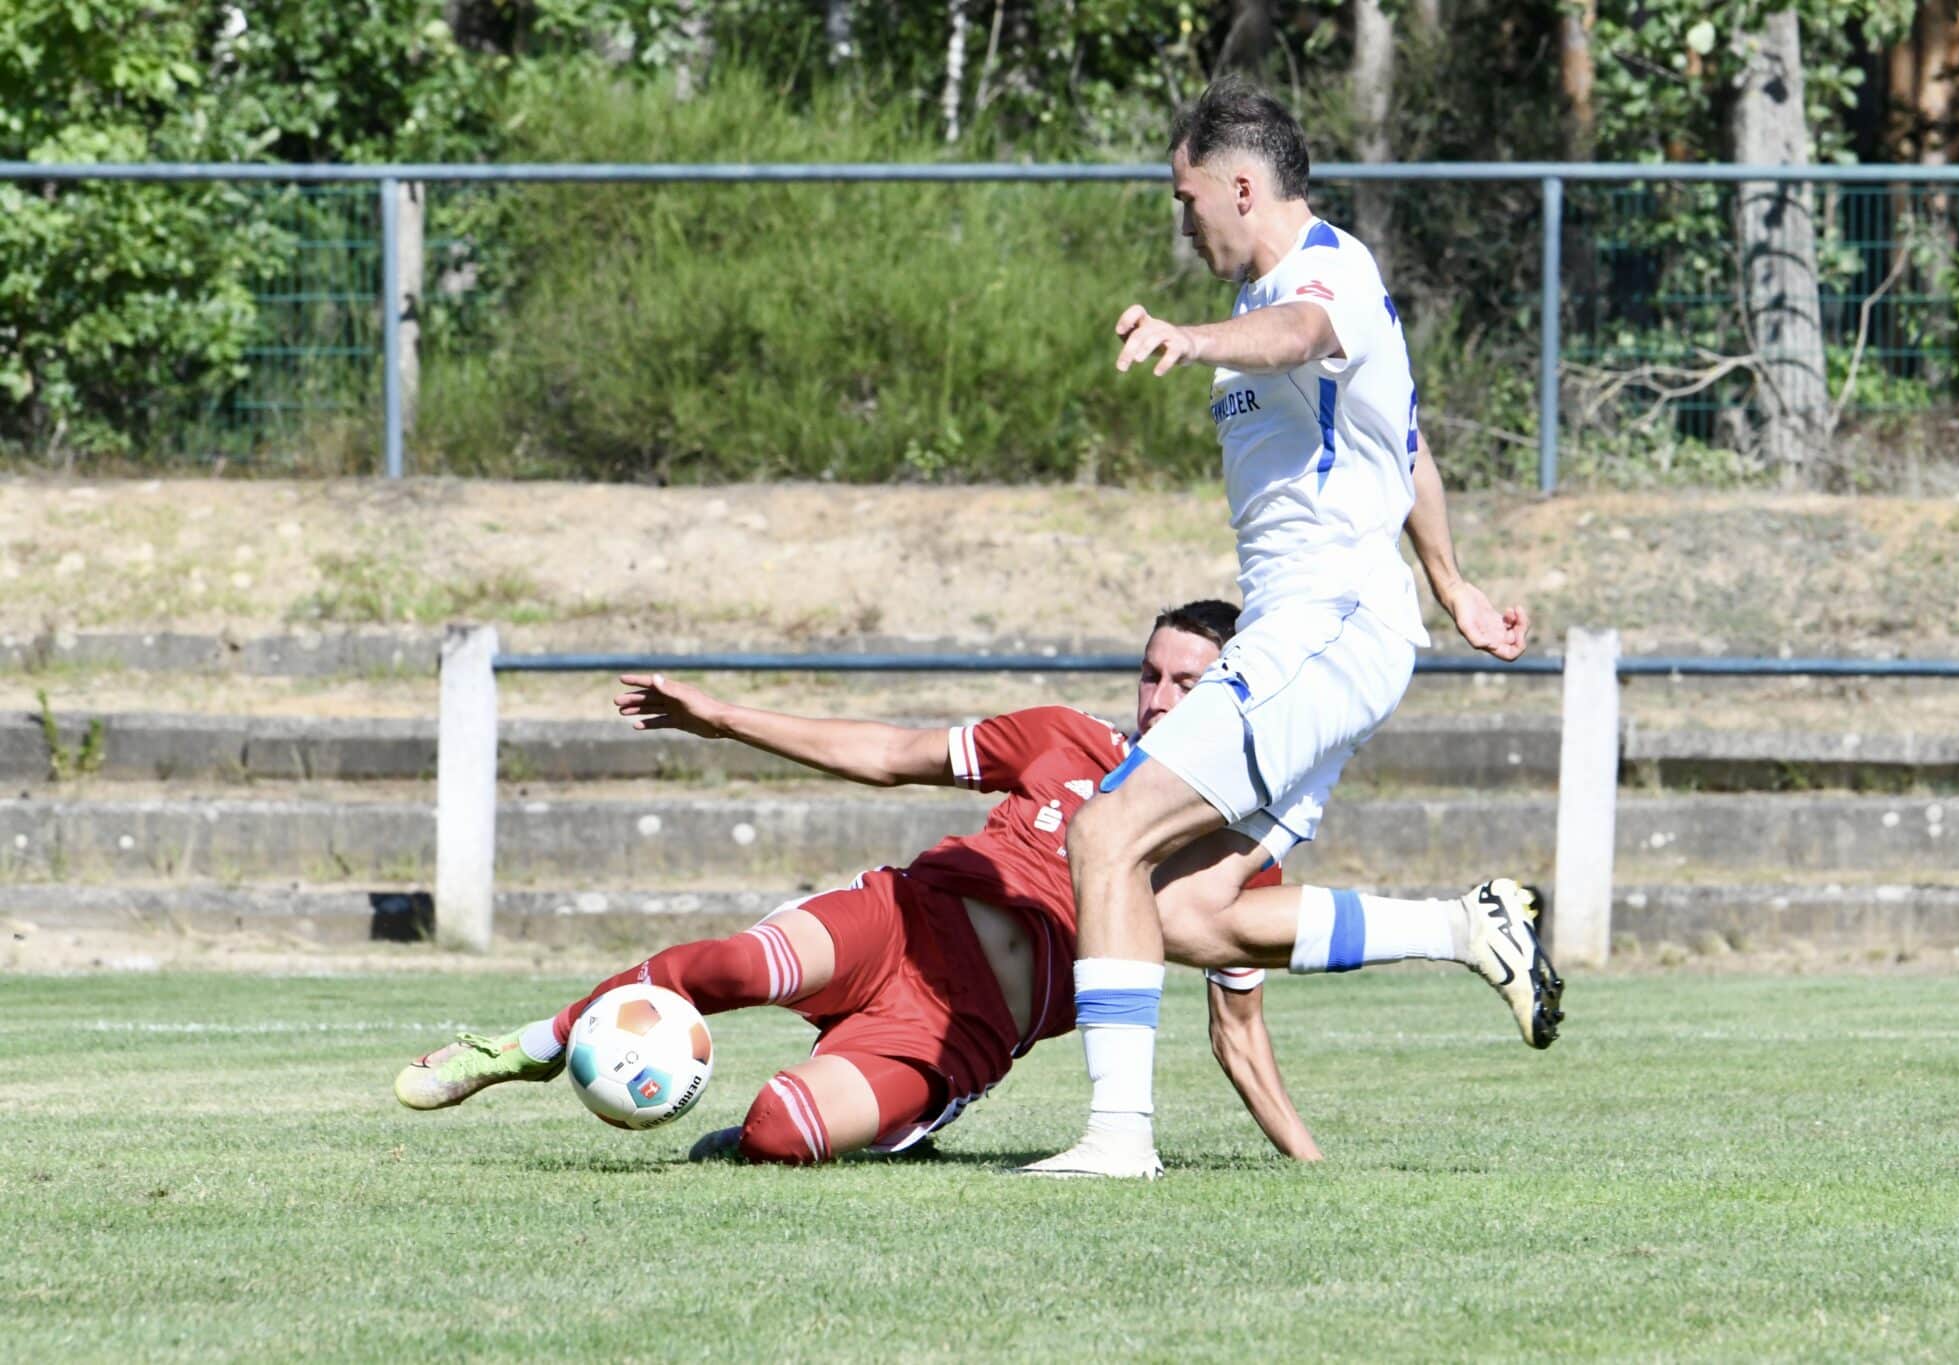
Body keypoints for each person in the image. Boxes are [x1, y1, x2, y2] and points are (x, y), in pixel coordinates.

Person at [1020, 75, 1562, 1180]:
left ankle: (1118, 1140)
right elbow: (1403, 446)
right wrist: (1452, 585)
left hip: (1323, 622)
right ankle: (1467, 929)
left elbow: (1296, 330)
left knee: (1105, 833)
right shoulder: (1304, 295)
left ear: (1237, 183)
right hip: (1341, 627)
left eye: (1184, 200)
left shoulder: (1321, 272)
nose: (1181, 223)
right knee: (1185, 911)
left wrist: (1194, 335)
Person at [395, 601, 1326, 1165]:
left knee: (772, 1131)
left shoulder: (1229, 845)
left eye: (1187, 683)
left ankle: (882, 1113)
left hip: (961, 1030)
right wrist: (724, 718)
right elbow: (888, 752)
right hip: (903, 918)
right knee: (723, 966)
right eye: (1150, 674)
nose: (1158, 699)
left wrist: (1310, 1165)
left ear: (1234, 691)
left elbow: (1237, 1034)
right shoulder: (1061, 736)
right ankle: (529, 1043)